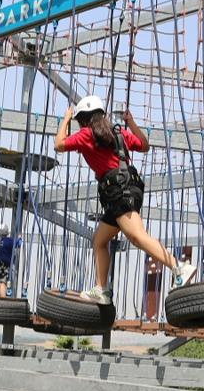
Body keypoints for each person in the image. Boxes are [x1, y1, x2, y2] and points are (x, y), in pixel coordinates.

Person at [55, 95, 196, 304]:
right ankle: (101, 289)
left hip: (118, 192)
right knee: (100, 241)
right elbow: (145, 145)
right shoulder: (118, 133)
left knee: (137, 236)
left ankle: (179, 267)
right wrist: (131, 123)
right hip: (128, 189)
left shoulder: (86, 134)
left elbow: (59, 145)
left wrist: (66, 118)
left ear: (83, 119)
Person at [0, 225, 20, 298]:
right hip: (3, 265)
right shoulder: (9, 241)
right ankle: (3, 301)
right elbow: (18, 244)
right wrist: (19, 238)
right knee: (2, 283)